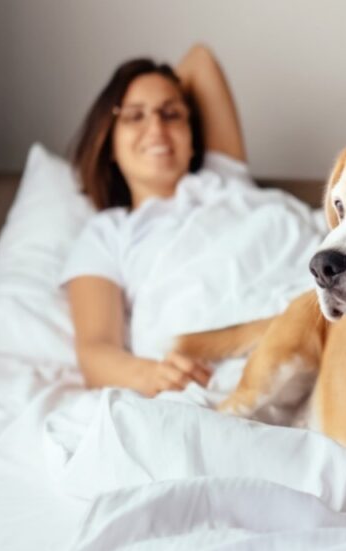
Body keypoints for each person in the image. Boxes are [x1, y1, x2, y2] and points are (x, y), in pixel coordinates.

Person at [62, 44, 292, 398]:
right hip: (218, 364)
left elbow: (200, 59)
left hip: (310, 317)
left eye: (171, 115)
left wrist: (157, 96)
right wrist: (152, 375)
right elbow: (95, 351)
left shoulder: (224, 178)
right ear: (108, 141)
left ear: (192, 139)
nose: (155, 126)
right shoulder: (107, 233)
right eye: (134, 117)